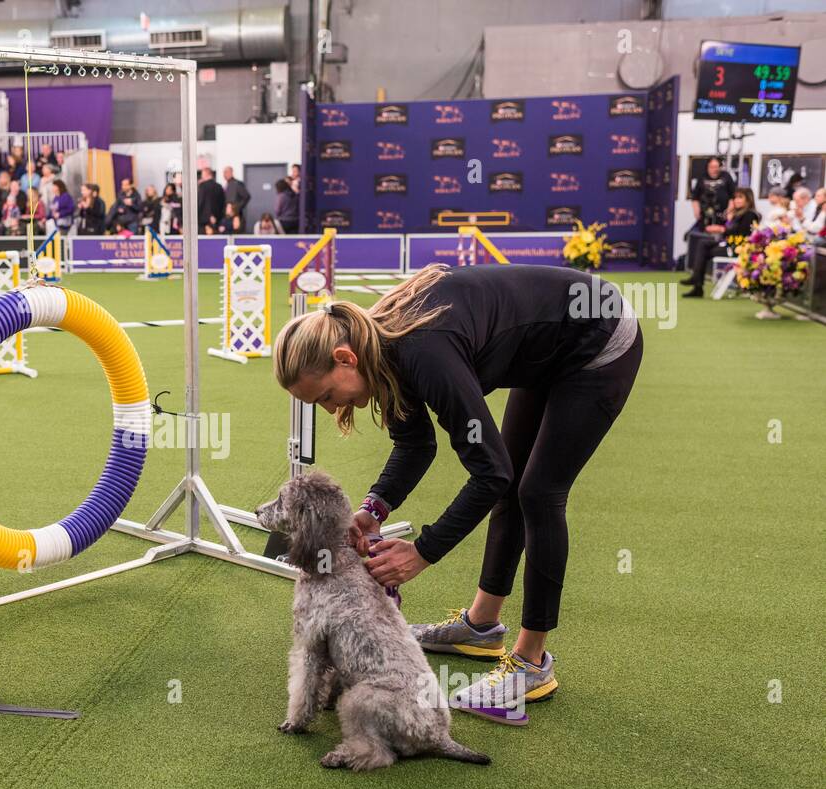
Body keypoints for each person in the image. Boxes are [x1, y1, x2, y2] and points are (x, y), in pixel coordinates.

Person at [271, 264, 644, 716]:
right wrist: (372, 510)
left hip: (597, 336)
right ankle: (482, 626)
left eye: (327, 395)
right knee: (513, 489)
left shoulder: (423, 350)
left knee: (538, 493)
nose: (333, 409)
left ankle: (532, 663)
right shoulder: (381, 350)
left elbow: (490, 471)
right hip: (551, 347)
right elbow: (415, 445)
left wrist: (422, 551)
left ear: (346, 358)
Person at [681, 187, 760, 297]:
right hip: (729, 244)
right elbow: (729, 230)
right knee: (703, 244)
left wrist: (722, 229)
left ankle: (697, 283)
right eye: (735, 197)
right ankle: (697, 283)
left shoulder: (750, 215)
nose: (736, 200)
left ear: (748, 200)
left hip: (737, 249)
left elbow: (742, 233)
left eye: (740, 198)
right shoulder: (737, 214)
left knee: (704, 249)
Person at [685, 157, 735, 271]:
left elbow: (733, 195)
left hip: (723, 218)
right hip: (706, 217)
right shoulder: (702, 178)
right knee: (703, 241)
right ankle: (701, 266)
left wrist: (729, 212)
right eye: (712, 167)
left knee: (720, 240)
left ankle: (719, 266)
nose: (714, 169)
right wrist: (696, 211)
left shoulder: (726, 177)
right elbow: (695, 197)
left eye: (716, 167)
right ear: (707, 167)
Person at [196, 167, 225, 235]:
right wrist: (215, 217)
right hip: (217, 220)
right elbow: (222, 204)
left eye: (202, 174)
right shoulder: (219, 186)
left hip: (203, 222)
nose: (201, 176)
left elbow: (200, 202)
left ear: (206, 174)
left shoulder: (202, 186)